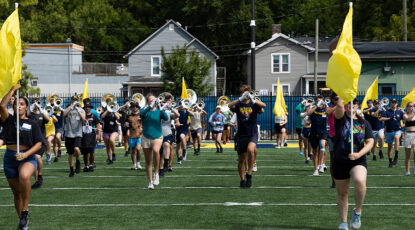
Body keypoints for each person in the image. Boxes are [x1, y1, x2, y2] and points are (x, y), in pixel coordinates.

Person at [1, 84, 43, 230]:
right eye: (16, 104)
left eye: (22, 104)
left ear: (27, 107)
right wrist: (12, 89)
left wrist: (25, 154)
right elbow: (1, 106)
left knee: (24, 176)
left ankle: (25, 211)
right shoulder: (9, 120)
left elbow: (39, 143)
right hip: (10, 158)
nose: (19, 106)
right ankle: (22, 223)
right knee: (16, 193)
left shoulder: (32, 123)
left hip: (27, 157)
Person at [333, 97, 374, 230]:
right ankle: (344, 222)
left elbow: (370, 142)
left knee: (360, 180)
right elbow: (339, 107)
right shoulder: (340, 119)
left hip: (358, 159)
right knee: (343, 193)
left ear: (358, 106)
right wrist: (341, 95)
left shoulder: (364, 123)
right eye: (349, 103)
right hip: (340, 160)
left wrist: (358, 154)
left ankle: (357, 211)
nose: (352, 105)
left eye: (354, 103)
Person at [228, 85, 266, 188]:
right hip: (241, 134)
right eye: (244, 93)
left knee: (251, 149)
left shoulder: (253, 104)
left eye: (247, 92)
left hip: (252, 133)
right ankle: (242, 180)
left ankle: (249, 174)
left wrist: (253, 99)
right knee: (241, 159)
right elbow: (229, 106)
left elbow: (264, 105)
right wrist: (240, 99)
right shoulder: (239, 104)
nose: (246, 94)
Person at [140, 94, 168, 189]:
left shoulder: (158, 110)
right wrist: (149, 107)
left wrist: (161, 108)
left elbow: (166, 118)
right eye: (150, 100)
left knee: (156, 151)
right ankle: (150, 182)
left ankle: (156, 173)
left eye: (153, 100)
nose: (152, 102)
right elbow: (141, 114)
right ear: (147, 101)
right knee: (148, 161)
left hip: (157, 136)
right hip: (146, 137)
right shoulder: (144, 110)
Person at [27, 97, 50, 189]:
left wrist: (41, 109)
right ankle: (37, 180)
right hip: (30, 140)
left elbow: (48, 119)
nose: (35, 104)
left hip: (41, 140)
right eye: (33, 102)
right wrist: (31, 108)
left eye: (37, 102)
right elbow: (25, 114)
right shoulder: (29, 114)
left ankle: (40, 176)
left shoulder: (42, 113)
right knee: (33, 160)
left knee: (37, 156)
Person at [306, 95, 328, 176]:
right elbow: (308, 113)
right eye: (318, 101)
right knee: (315, 152)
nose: (320, 103)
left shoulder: (325, 109)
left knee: (322, 146)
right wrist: (316, 106)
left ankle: (322, 164)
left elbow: (330, 112)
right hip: (314, 133)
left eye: (321, 101)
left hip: (323, 132)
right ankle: (316, 169)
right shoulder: (313, 109)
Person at [64, 96, 86, 177]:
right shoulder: (68, 108)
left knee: (76, 148)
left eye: (76, 100)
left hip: (78, 134)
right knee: (70, 154)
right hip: (69, 134)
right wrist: (71, 107)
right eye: (73, 100)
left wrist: (77, 109)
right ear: (71, 101)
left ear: (79, 101)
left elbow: (84, 119)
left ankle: (78, 161)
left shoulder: (81, 110)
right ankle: (71, 170)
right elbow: (64, 114)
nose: (75, 101)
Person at [380, 98, 404, 167]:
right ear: (391, 103)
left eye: (395, 102)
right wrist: (389, 118)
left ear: (397, 104)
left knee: (397, 137)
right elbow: (381, 119)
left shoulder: (400, 112)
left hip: (397, 130)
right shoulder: (387, 112)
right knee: (390, 147)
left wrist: (402, 125)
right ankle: (390, 161)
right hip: (389, 131)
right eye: (392, 102)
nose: (394, 104)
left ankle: (396, 155)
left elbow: (406, 119)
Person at [160, 94, 179, 175]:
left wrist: (172, 108)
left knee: (168, 146)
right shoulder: (159, 111)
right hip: (158, 134)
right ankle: (161, 169)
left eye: (169, 100)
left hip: (168, 132)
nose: (167, 101)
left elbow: (177, 115)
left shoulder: (169, 111)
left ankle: (167, 164)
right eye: (166, 100)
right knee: (160, 153)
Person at [80, 103, 101, 172]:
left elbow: (98, 125)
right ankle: (86, 165)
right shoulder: (82, 115)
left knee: (92, 151)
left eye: (88, 107)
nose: (87, 108)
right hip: (84, 135)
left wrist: (98, 134)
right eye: (86, 107)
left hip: (92, 135)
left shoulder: (94, 116)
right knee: (85, 152)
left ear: (90, 108)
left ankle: (91, 164)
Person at [125, 103, 143, 171]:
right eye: (133, 107)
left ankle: (138, 163)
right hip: (132, 134)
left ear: (138, 107)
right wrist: (126, 127)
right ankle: (134, 164)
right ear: (131, 108)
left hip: (139, 134)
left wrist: (142, 128)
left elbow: (145, 122)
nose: (134, 108)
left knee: (138, 149)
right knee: (133, 150)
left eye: (136, 106)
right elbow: (126, 123)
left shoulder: (141, 115)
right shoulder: (128, 116)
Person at [326, 93, 339, 188]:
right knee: (333, 159)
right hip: (332, 136)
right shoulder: (329, 108)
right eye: (335, 98)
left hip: (341, 137)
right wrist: (337, 105)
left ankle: (341, 179)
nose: (337, 99)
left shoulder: (343, 108)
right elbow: (328, 113)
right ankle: (333, 180)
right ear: (332, 100)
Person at [403, 102, 415, 176]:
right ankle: (407, 170)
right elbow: (409, 119)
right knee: (408, 154)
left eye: (413, 106)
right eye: (410, 106)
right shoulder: (405, 114)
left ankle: (414, 168)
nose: (411, 107)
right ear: (407, 107)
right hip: (408, 134)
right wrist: (413, 113)